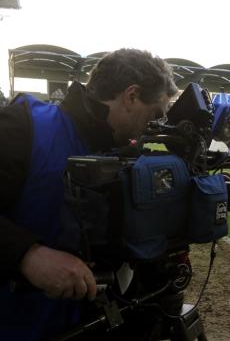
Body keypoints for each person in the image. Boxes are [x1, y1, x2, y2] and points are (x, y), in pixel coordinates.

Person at [0, 49, 177, 340]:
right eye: (155, 114)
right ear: (131, 96)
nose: (155, 127)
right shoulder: (25, 126)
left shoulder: (129, 153)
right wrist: (27, 255)